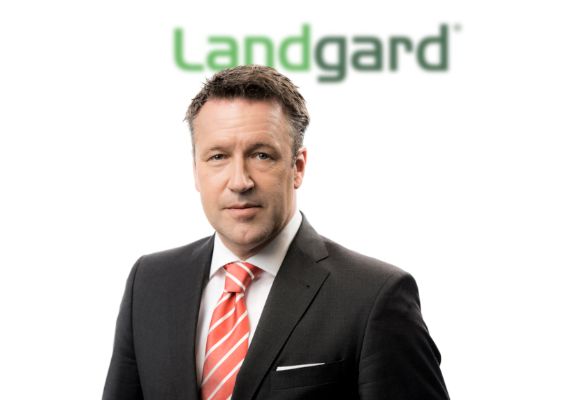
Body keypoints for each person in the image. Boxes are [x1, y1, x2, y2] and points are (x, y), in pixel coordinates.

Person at [102, 65, 450, 400]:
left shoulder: (374, 296)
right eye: (218, 156)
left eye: (262, 155)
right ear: (196, 170)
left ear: (298, 167)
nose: (240, 181)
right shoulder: (150, 282)